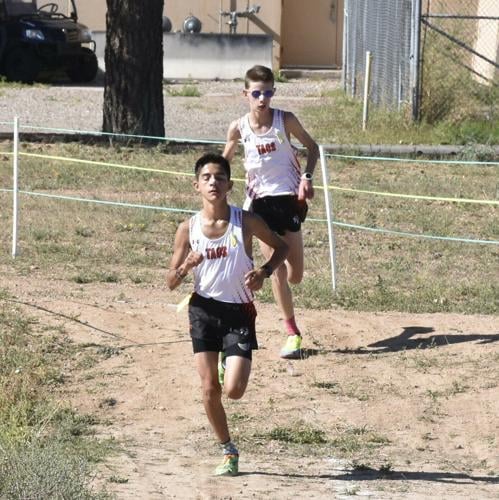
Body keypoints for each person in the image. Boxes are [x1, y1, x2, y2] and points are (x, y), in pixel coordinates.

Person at [167, 153, 288, 476]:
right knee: (209, 390)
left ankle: (227, 363)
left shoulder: (245, 221)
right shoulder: (187, 229)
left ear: (229, 185)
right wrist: (185, 267)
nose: (213, 183)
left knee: (233, 390)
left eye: (219, 177)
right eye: (206, 178)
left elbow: (281, 248)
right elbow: (170, 282)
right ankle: (228, 450)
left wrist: (263, 271)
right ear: (196, 186)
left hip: (239, 312)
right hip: (203, 310)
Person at [223, 64, 319, 359]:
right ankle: (292, 333)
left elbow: (312, 147)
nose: (262, 99)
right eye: (256, 93)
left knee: (296, 275)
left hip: (288, 201)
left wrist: (307, 178)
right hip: (259, 205)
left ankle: (281, 298)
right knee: (274, 270)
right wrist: (215, 182)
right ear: (246, 94)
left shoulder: (285, 120)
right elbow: (223, 161)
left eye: (267, 93)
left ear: (273, 93)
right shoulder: (238, 128)